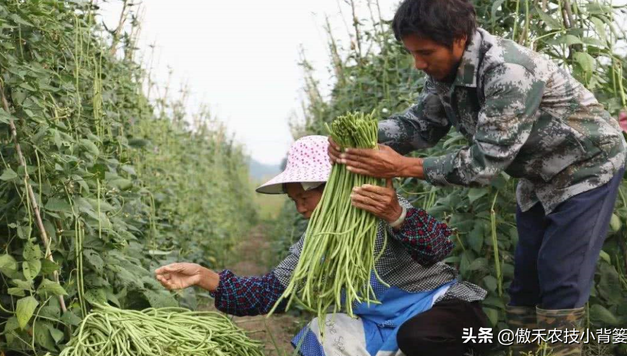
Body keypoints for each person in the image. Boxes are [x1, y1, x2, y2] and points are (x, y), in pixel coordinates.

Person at [329, 0, 627, 356]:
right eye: (412, 53)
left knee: (560, 278)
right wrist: (363, 137)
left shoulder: (509, 71)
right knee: (525, 283)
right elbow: (420, 125)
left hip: (586, 168)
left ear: (459, 39)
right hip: (537, 176)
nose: (418, 64)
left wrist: (404, 166)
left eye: (425, 53)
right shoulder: (444, 73)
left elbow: (484, 164)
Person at [156, 135, 492, 356]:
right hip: (382, 328)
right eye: (294, 201)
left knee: (419, 338)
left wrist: (397, 215)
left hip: (442, 314)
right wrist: (202, 276)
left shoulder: (381, 208)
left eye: (306, 197)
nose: (301, 208)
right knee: (321, 334)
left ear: (333, 187)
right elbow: (270, 292)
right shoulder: (314, 244)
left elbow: (438, 246)